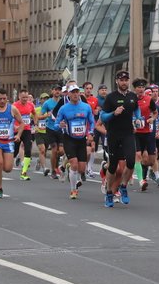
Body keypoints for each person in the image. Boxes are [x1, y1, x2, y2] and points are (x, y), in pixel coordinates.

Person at [99, 71, 139, 206]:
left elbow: (136, 109)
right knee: (113, 167)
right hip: (113, 134)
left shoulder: (132, 96)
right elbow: (103, 117)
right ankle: (109, 192)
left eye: (126, 80)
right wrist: (113, 113)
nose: (124, 82)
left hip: (128, 133)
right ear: (117, 81)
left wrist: (138, 118)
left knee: (131, 161)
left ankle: (123, 186)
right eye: (121, 80)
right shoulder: (110, 97)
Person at [57, 84, 95, 200]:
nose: (75, 94)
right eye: (72, 92)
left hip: (81, 140)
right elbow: (55, 124)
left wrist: (91, 133)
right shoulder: (64, 109)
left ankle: (71, 171)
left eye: (77, 92)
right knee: (74, 163)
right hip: (69, 139)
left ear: (79, 93)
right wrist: (60, 125)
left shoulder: (86, 107)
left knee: (81, 168)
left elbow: (92, 122)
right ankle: (73, 190)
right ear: (68, 94)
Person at [12, 89, 36, 180]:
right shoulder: (14, 106)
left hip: (27, 130)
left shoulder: (30, 104)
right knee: (14, 151)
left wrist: (36, 123)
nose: (25, 99)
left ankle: (24, 172)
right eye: (23, 97)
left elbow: (34, 113)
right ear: (19, 97)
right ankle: (7, 163)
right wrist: (14, 126)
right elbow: (10, 117)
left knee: (28, 149)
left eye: (26, 97)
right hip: (17, 131)